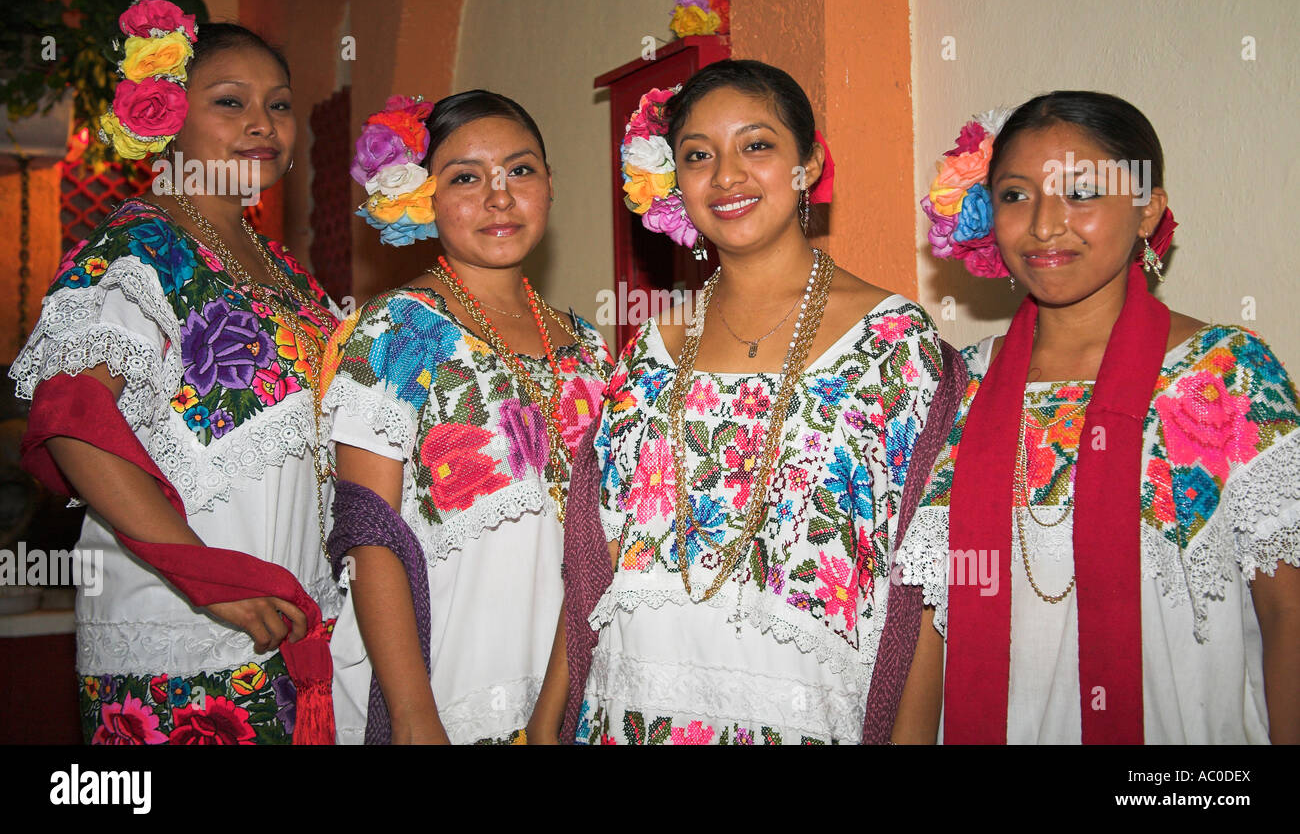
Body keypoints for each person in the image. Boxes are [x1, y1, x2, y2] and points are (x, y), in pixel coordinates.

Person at [535, 59, 953, 745]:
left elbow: (928, 583)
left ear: (810, 163)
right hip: (630, 706)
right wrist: (549, 717)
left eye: (756, 145)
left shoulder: (892, 343)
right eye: (698, 156)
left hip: (804, 715)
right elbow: (595, 560)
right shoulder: (652, 345)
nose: (726, 176)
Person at [899, 90, 1300, 743]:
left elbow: (1289, 612)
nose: (1045, 224)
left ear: (1148, 211)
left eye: (1081, 192)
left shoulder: (1224, 375)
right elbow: (922, 620)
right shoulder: (961, 386)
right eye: (1015, 195)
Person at [13, 2, 342, 744]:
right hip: (188, 636)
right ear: (165, 117)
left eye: (280, 105)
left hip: (290, 630)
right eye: (231, 102)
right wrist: (205, 575)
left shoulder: (289, 274)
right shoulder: (135, 252)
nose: (264, 123)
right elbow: (74, 423)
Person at [325, 90, 613, 744]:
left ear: (549, 186)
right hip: (450, 687)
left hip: (576, 685)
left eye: (521, 170)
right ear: (424, 198)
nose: (499, 197)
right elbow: (369, 537)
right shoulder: (397, 330)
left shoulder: (589, 347)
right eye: (465, 178)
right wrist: (413, 714)